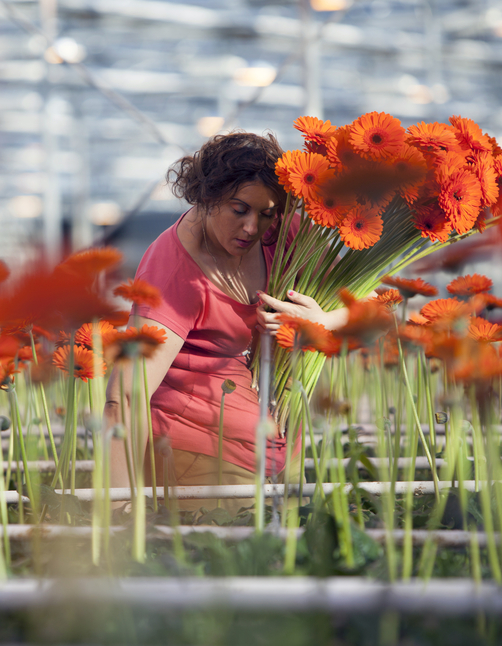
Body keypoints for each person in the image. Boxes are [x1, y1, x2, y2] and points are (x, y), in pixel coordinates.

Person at [104, 131, 348, 512]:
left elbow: (376, 308)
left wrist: (325, 320)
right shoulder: (174, 272)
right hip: (194, 457)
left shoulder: (282, 234)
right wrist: (120, 505)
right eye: (239, 210)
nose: (253, 228)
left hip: (278, 457)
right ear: (207, 197)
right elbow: (125, 395)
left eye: (267, 213)